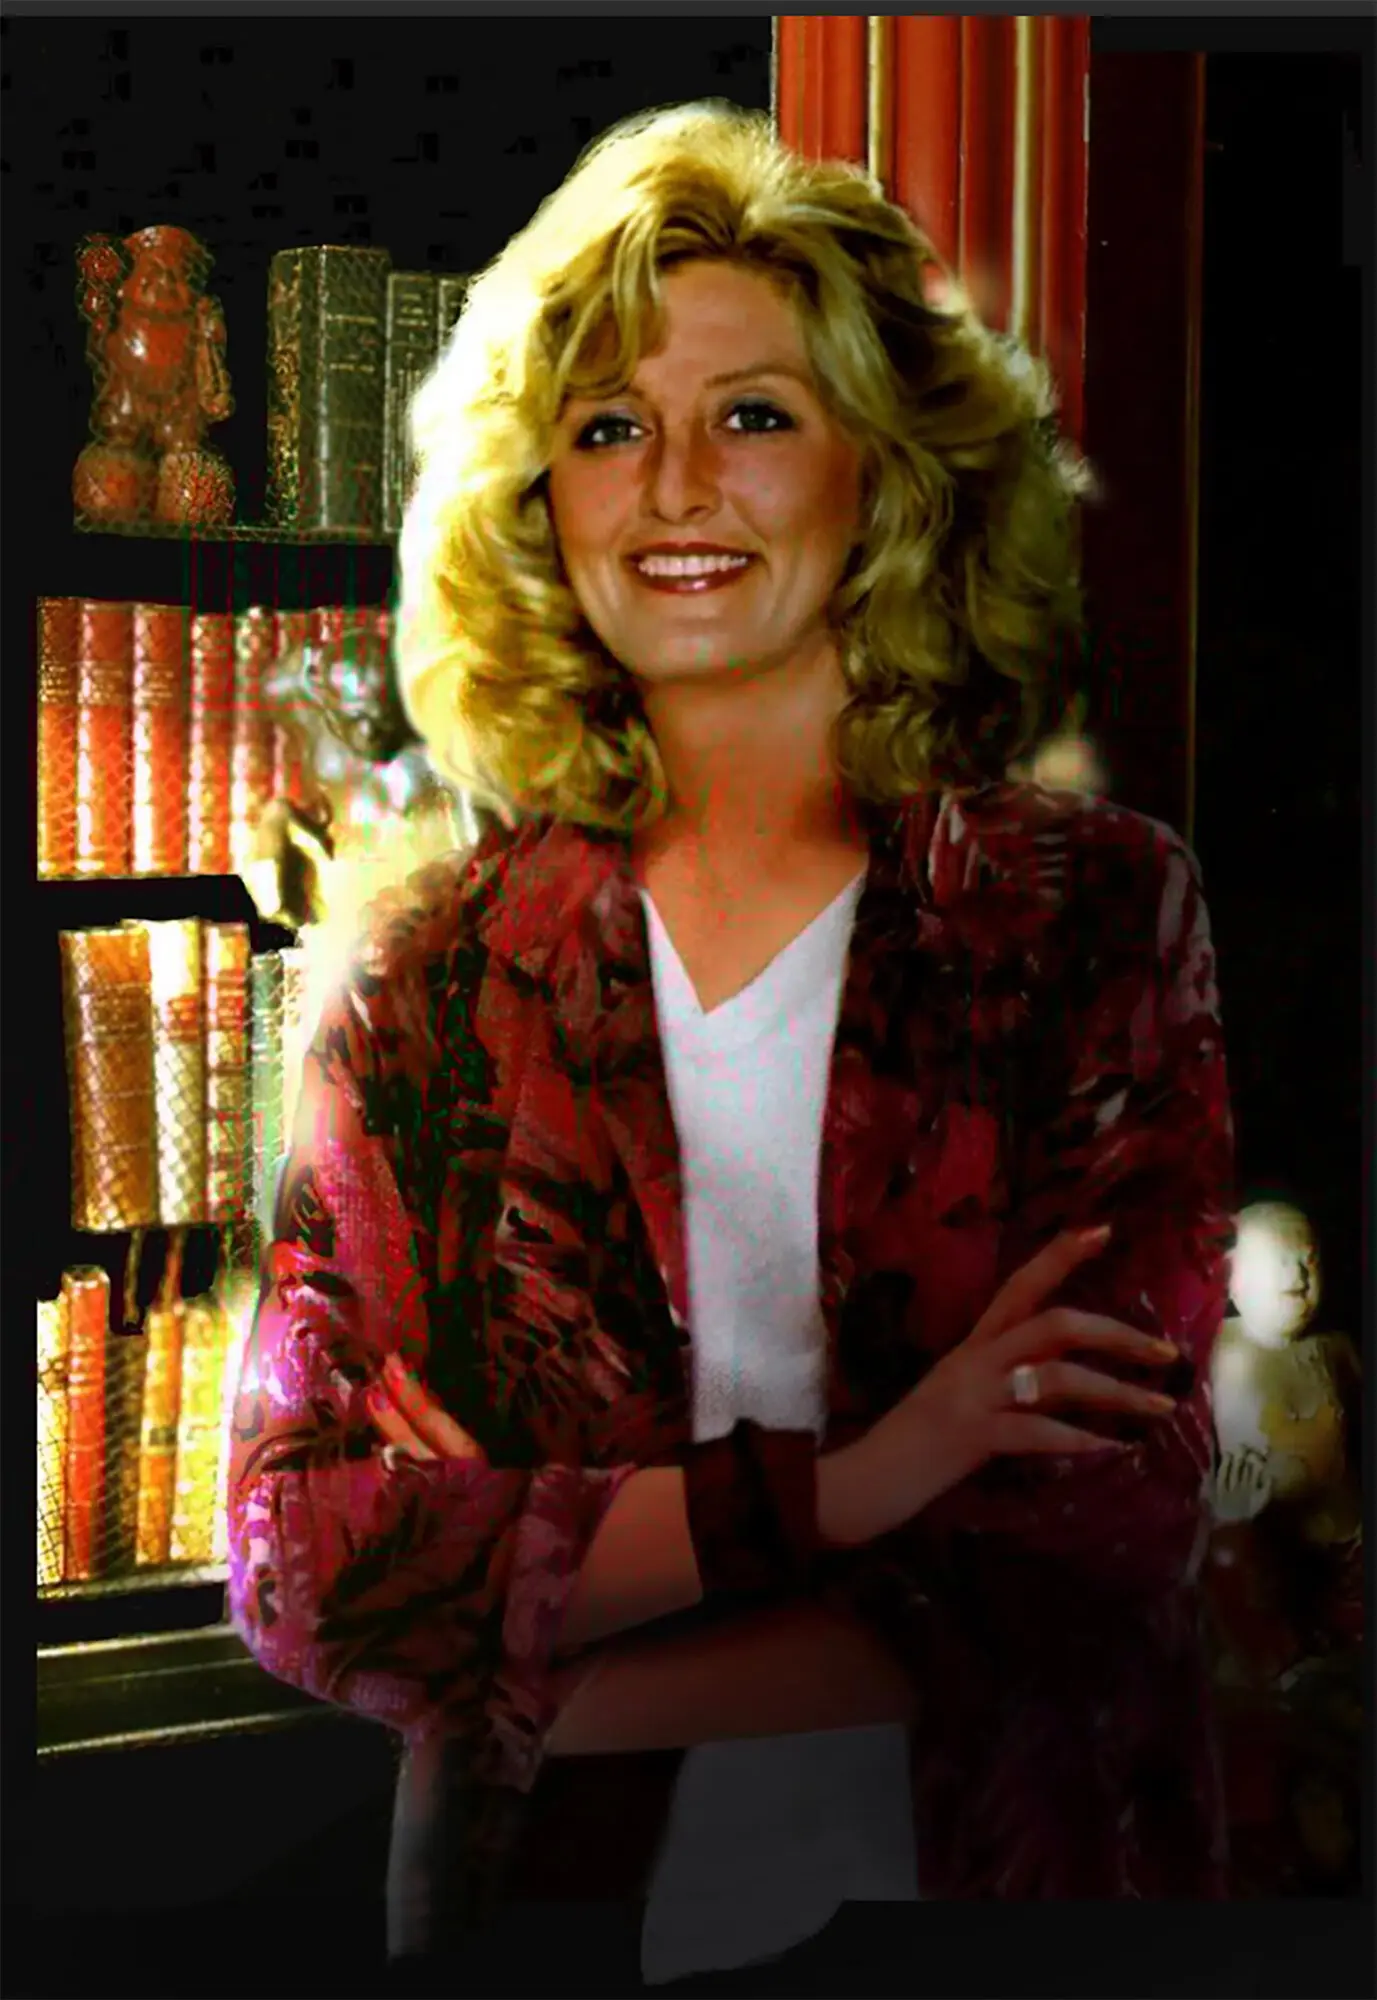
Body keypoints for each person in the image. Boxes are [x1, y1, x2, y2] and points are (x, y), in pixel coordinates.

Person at [227, 100, 1236, 1984]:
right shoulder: (428, 976)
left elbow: (1098, 1548)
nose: (676, 486)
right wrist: (869, 1482)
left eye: (754, 416)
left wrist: (533, 1640)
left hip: (1008, 1888)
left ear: (891, 473)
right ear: (540, 496)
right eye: (610, 428)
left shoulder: (1091, 919)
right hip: (548, 1926)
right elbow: (303, 1557)